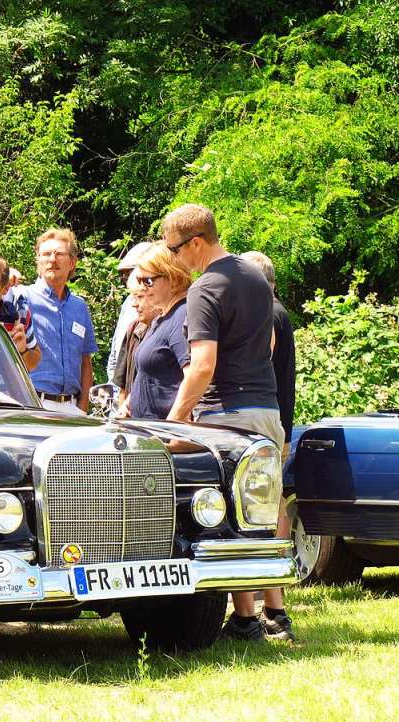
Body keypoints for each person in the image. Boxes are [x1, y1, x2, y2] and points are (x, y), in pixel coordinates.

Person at [161, 204, 284, 642]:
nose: (174, 259)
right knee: (260, 511)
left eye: (175, 250)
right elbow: (268, 342)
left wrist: (174, 424)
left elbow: (201, 365)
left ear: (196, 242)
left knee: (223, 516)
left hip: (227, 414)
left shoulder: (205, 288)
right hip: (266, 408)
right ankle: (267, 616)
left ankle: (247, 620)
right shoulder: (253, 274)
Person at [242, 250, 297, 641]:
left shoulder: (269, 315)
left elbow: (265, 371)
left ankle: (272, 603)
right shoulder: (278, 312)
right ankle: (270, 604)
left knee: (262, 511)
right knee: (269, 508)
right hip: (277, 422)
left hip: (264, 423)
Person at [25, 228, 98, 415]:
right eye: (46, 254)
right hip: (33, 404)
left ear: (72, 262)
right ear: (38, 262)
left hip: (72, 409)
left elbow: (85, 360)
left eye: (59, 254)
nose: (52, 259)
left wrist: (82, 407)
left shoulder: (79, 306)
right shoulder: (22, 298)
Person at [121, 242, 193, 419]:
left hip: (163, 435)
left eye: (148, 281)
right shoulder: (162, 318)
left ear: (173, 277)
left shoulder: (181, 315)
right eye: (140, 281)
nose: (143, 288)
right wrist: (128, 404)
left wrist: (174, 426)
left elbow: (194, 376)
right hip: (145, 431)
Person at [107, 242, 153, 393]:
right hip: (121, 390)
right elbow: (118, 346)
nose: (128, 278)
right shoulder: (129, 302)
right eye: (125, 274)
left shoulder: (160, 305)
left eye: (130, 272)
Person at [112, 271, 157, 405]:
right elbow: (122, 386)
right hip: (132, 417)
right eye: (133, 298)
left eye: (140, 297)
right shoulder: (133, 329)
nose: (134, 304)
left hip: (162, 421)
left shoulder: (174, 326)